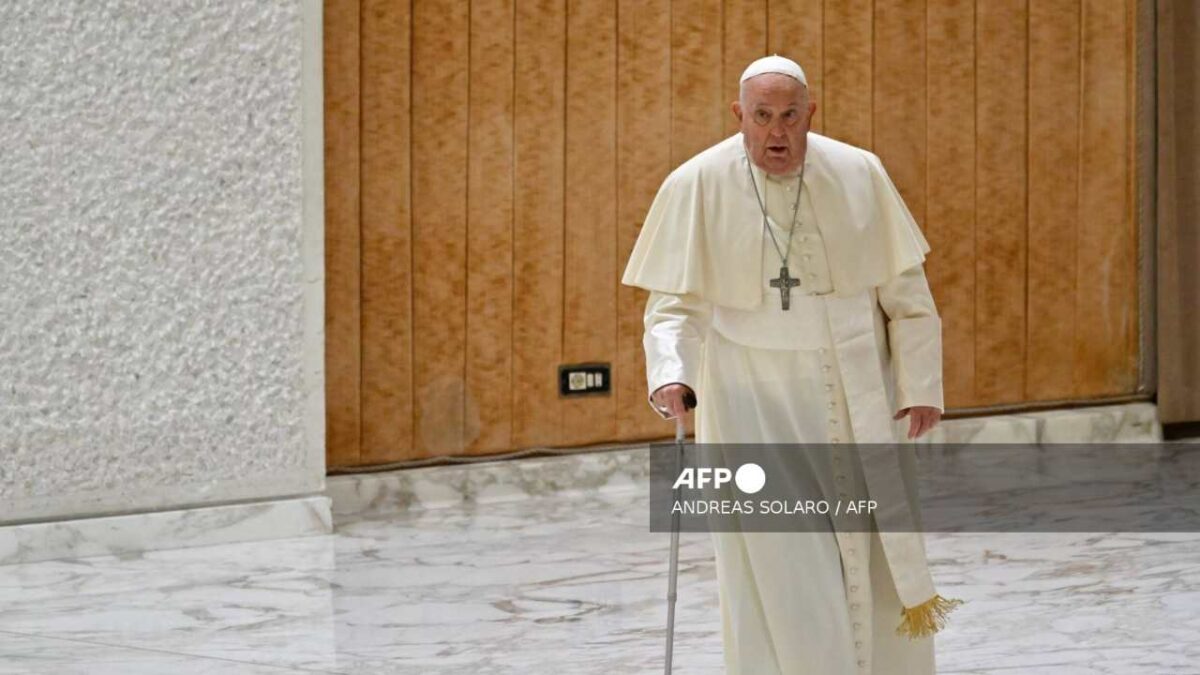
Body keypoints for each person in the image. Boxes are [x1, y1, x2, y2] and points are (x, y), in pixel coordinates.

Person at [622, 55, 962, 674]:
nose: (776, 133)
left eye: (788, 116)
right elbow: (671, 307)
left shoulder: (860, 172)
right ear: (738, 115)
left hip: (857, 390)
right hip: (753, 403)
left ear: (811, 113)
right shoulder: (696, 183)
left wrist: (920, 385)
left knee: (875, 560)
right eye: (761, 117)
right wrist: (670, 374)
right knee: (783, 565)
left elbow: (907, 295)